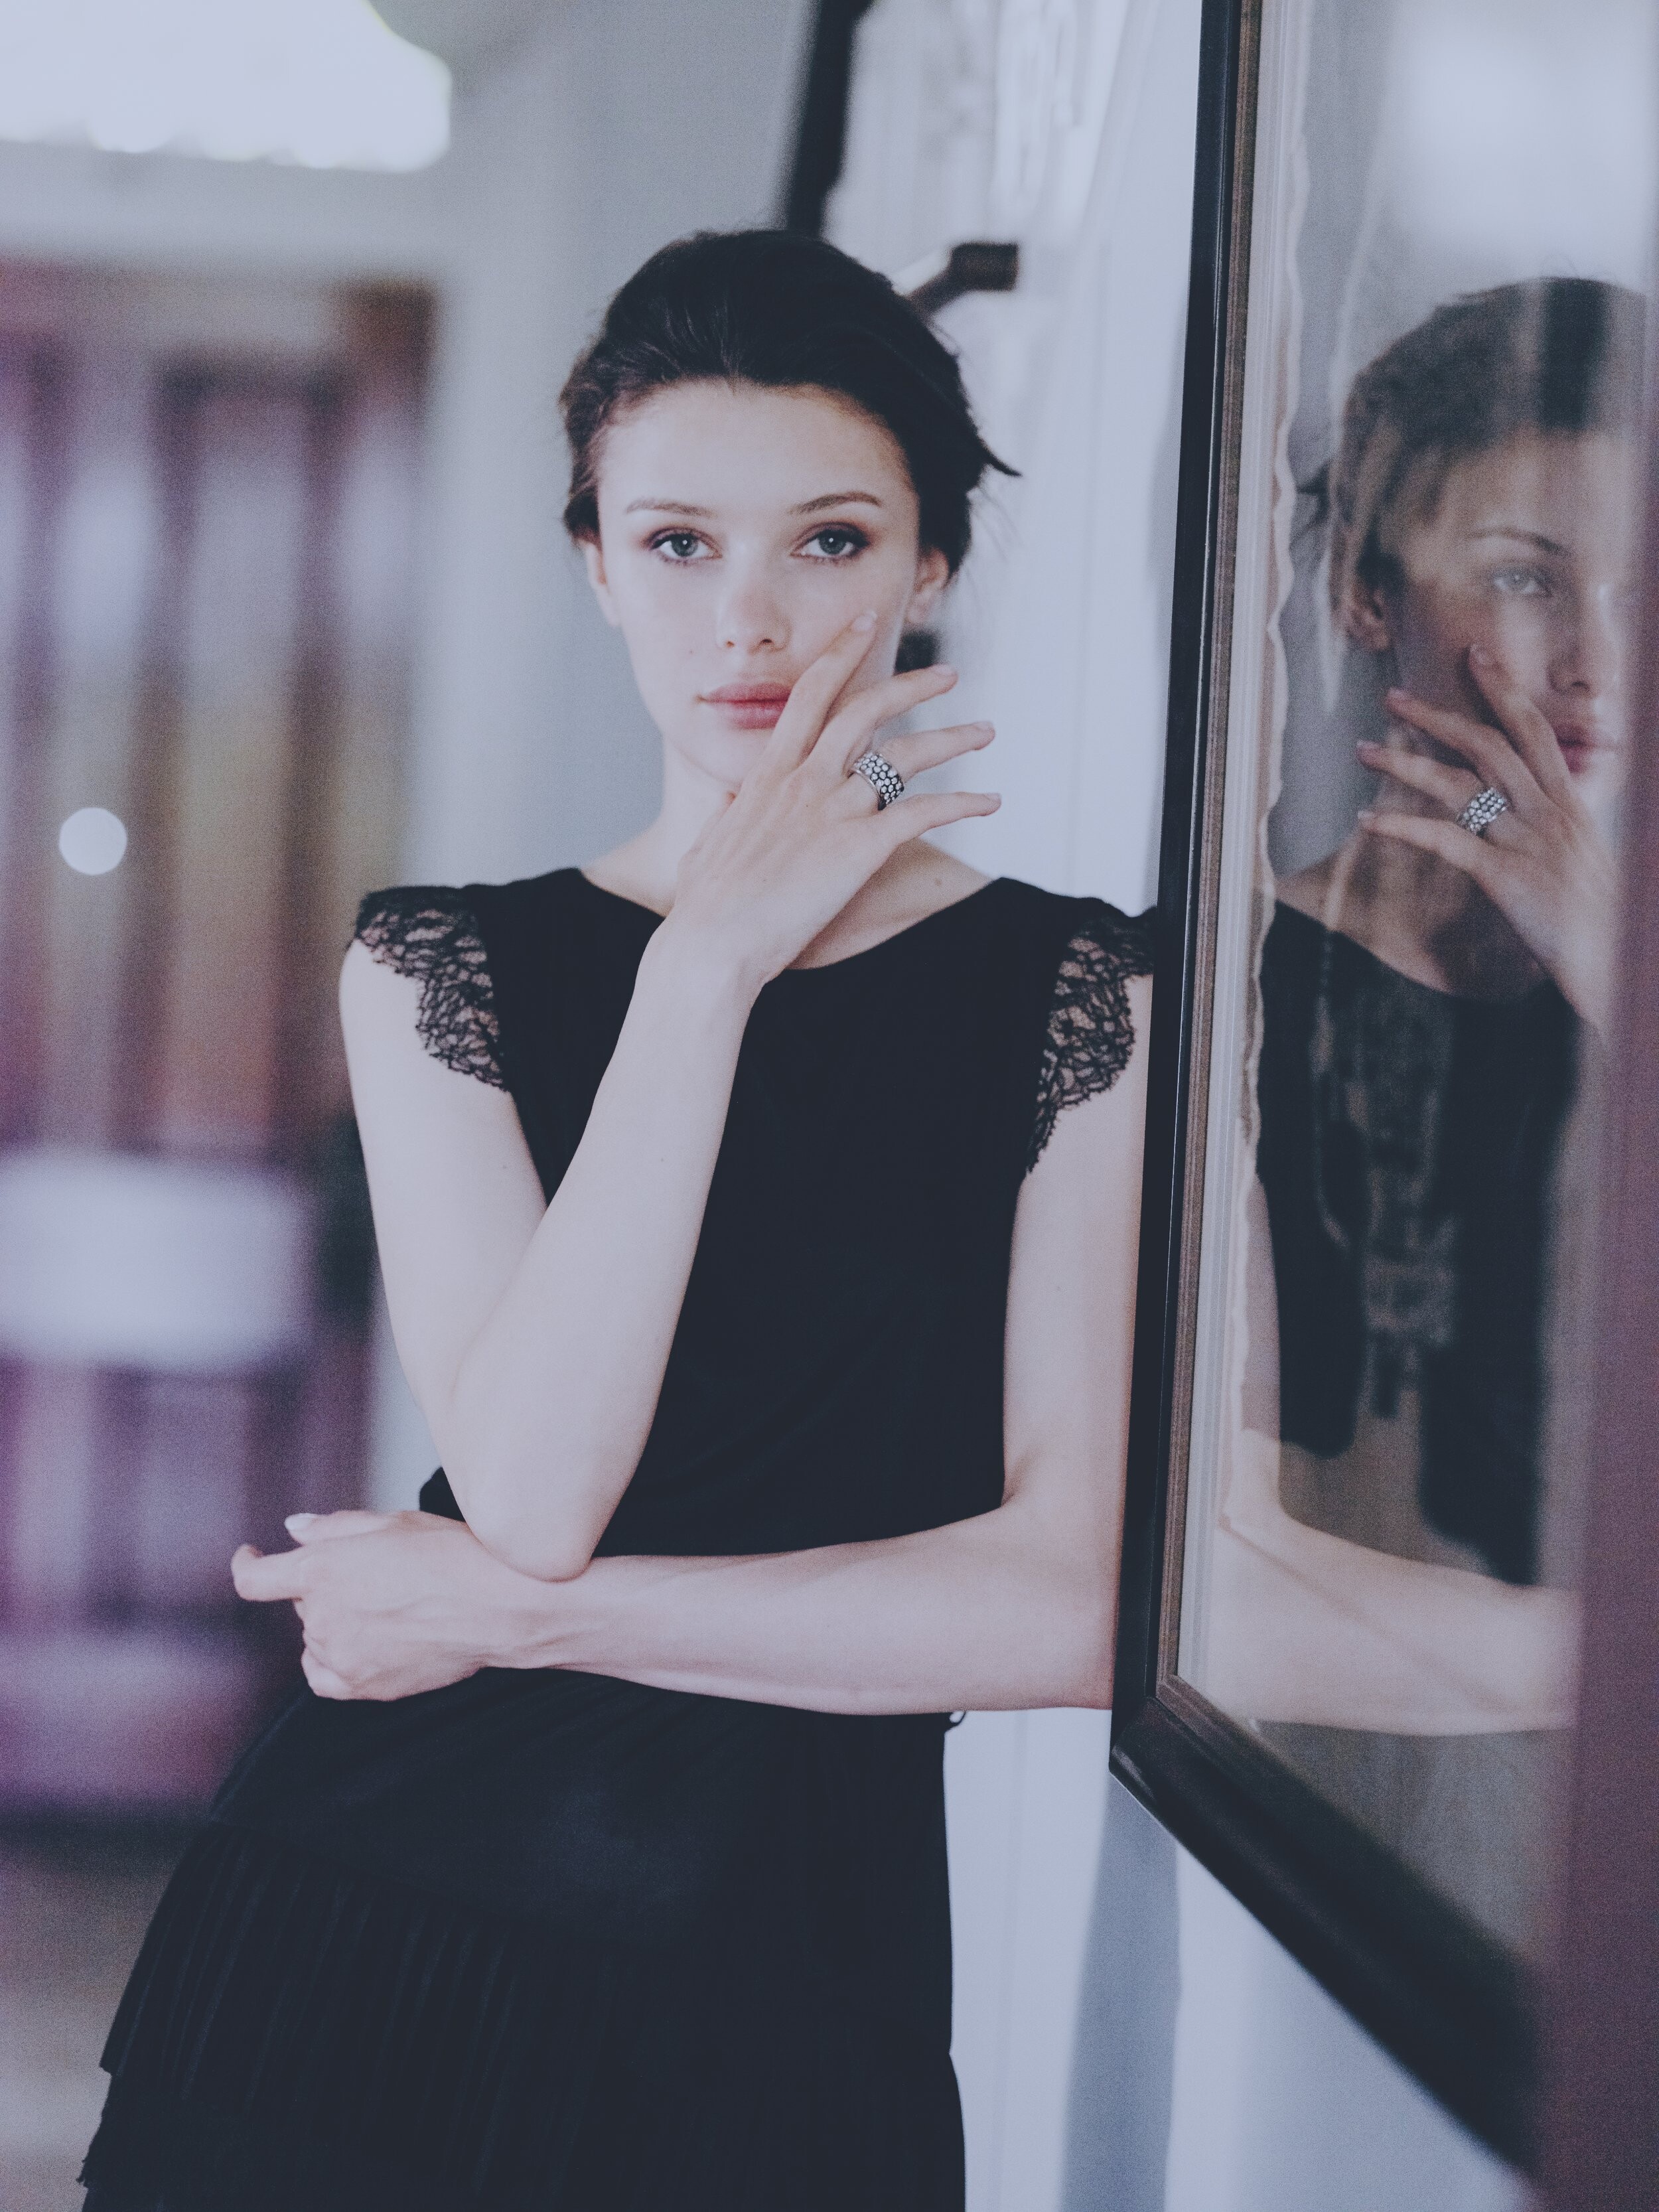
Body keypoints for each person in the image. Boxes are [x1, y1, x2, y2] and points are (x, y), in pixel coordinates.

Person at [79, 230, 1154, 2212]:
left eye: (829, 541)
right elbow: (536, 1486)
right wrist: (706, 966)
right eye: (675, 543)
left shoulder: (1081, 998)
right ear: (595, 565)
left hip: (797, 1991)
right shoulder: (442, 966)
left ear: (930, 563)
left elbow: (1072, 1600)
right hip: (366, 1936)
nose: (749, 617)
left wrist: (510, 1609)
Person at [1213, 278, 1641, 1941]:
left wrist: (1607, 962)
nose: (1598, 661)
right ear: (1361, 588)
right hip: (1343, 1863)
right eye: (1525, 576)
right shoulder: (1220, 1002)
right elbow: (1209, 1575)